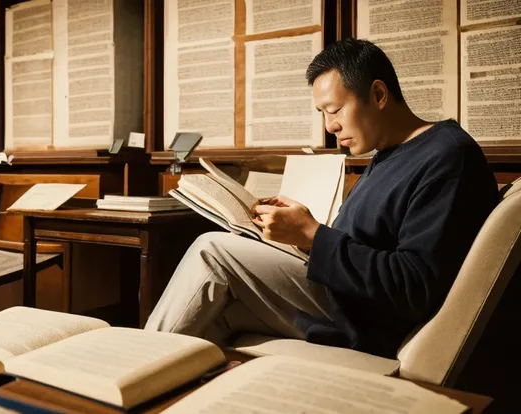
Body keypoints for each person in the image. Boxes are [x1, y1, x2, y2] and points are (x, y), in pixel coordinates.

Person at [144, 39, 499, 358]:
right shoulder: (386, 154)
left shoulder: (447, 155)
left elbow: (414, 285)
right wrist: (298, 233)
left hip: (363, 316)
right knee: (218, 313)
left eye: (335, 109)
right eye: (323, 114)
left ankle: (131, 369)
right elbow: (363, 243)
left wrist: (313, 234)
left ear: (378, 95)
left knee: (212, 251)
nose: (330, 127)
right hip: (342, 296)